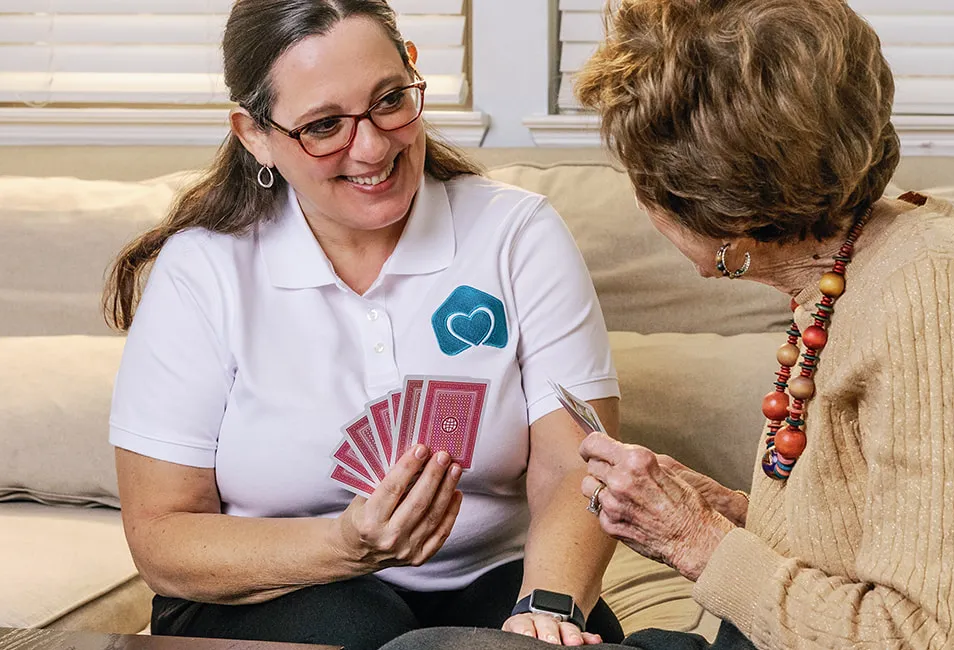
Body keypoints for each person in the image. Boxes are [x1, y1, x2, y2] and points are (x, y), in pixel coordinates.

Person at [385, 0, 954, 649]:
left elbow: (924, 636)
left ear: (727, 219)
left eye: (643, 178)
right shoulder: (858, 266)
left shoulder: (935, 301)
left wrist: (696, 542)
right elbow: (873, 542)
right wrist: (721, 510)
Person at [102, 1, 626, 648]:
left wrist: (550, 609)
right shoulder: (204, 269)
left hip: (492, 577)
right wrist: (345, 545)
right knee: (356, 627)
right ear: (255, 134)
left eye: (389, 100)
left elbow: (575, 465)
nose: (374, 146)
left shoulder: (517, 236)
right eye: (324, 126)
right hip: (267, 592)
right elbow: (161, 536)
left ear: (412, 69)